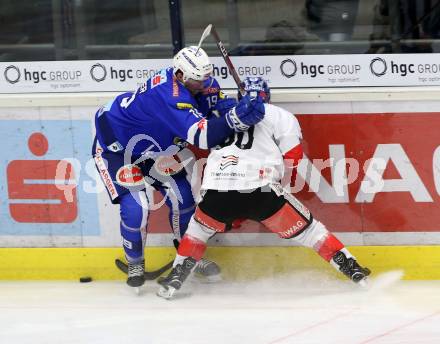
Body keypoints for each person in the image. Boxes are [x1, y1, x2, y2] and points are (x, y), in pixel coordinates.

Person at [156, 77, 371, 299]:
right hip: (262, 191)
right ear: (266, 96)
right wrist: (280, 187)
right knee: (311, 232)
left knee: (198, 232)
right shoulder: (280, 115)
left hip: (216, 192)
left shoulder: (219, 116)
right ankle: (353, 270)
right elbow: (294, 158)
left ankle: (174, 280)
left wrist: (230, 211)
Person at [92, 46, 266, 289]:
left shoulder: (198, 82)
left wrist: (246, 102)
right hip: (118, 150)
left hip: (156, 151)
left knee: (183, 199)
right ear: (181, 76)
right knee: (137, 208)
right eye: (198, 80)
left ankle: (188, 255)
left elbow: (219, 107)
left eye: (207, 76)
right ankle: (135, 262)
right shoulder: (171, 97)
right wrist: (237, 118)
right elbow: (203, 138)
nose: (205, 83)